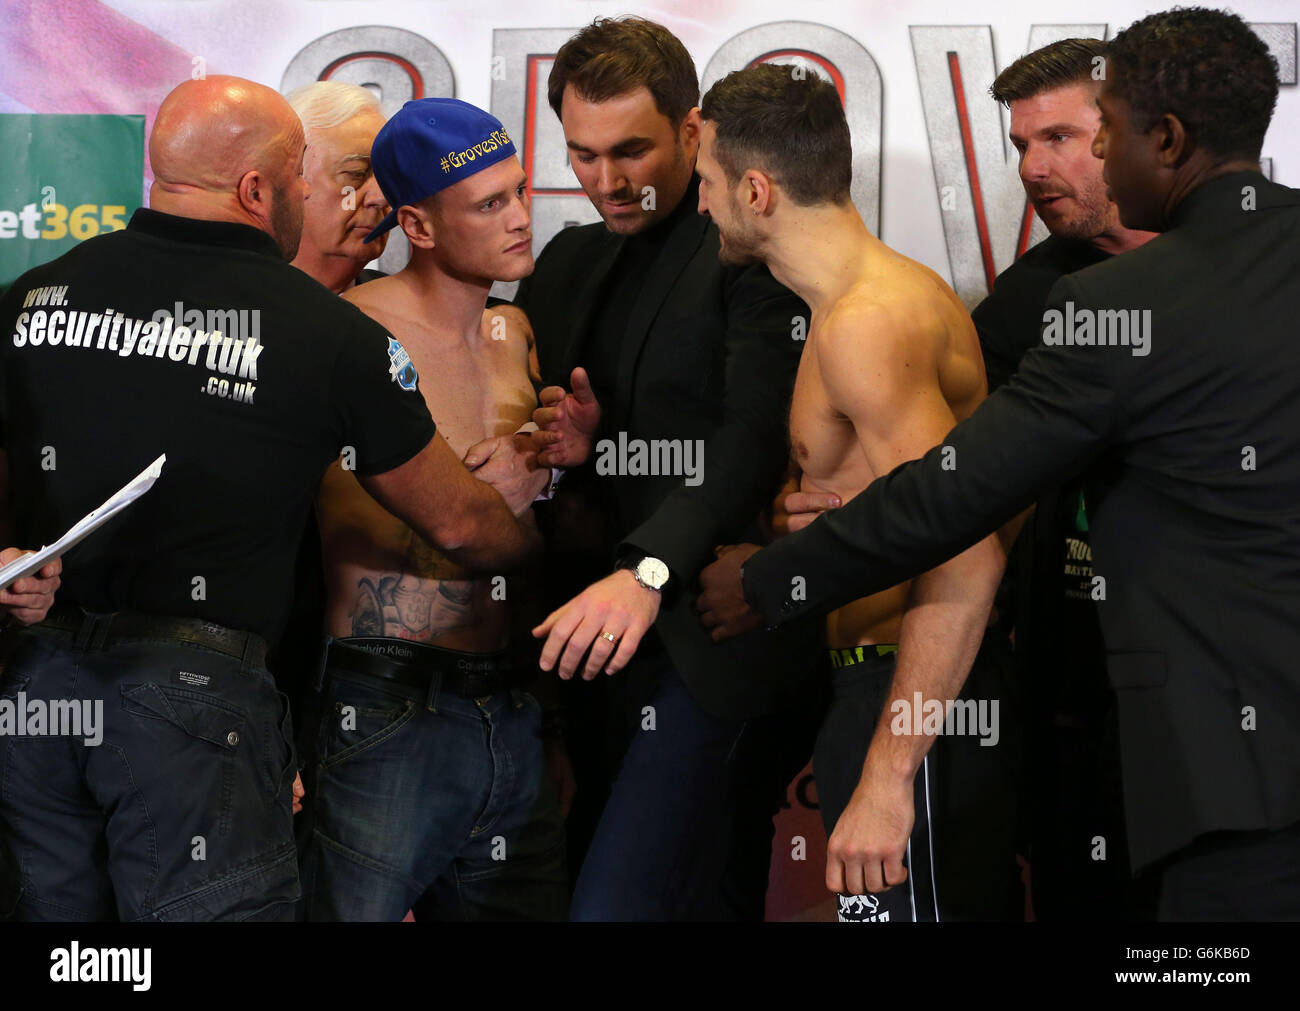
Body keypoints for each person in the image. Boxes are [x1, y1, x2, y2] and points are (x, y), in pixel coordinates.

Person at [700, 8, 1300, 921]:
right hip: (1105, 736)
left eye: (1099, 133)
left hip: (1219, 779)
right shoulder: (1034, 301)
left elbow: (956, 498)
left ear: (1166, 139)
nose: (1056, 161)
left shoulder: (1110, 303)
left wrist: (772, 579)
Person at [0, 75, 540, 922]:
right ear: (258, 190)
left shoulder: (35, 296)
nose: (314, 196)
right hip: (193, 701)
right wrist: (537, 528)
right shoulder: (325, 334)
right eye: (300, 177)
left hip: (33, 690)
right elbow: (459, 523)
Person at [510, 16, 825, 920]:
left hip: (709, 640)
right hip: (583, 650)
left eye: (632, 151)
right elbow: (586, 447)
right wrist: (570, 449)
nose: (607, 180)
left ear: (694, 132)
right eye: (583, 153)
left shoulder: (746, 244)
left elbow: (753, 437)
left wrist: (647, 568)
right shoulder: (568, 259)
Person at [694, 63, 1019, 921]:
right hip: (875, 693)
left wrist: (886, 777)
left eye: (708, 183)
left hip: (910, 705)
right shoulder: (849, 308)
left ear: (756, 190)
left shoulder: (869, 321)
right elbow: (897, 506)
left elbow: (968, 553)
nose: (700, 206)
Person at [300, 98, 568, 921]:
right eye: (489, 204)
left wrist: (563, 466)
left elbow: (547, 523)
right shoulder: (345, 334)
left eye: (520, 192)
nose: (521, 219)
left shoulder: (513, 329)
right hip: (385, 708)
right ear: (416, 222)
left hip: (515, 703)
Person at [977, 38, 1158, 920]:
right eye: (1019, 145)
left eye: (1057, 138)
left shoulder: (1261, 258)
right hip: (1076, 696)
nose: (1033, 168)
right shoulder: (1023, 305)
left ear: (1127, 131)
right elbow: (958, 486)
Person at [286, 81, 390, 293]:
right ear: (291, 177)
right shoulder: (222, 310)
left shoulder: (404, 313)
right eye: (357, 173)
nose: (382, 197)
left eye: (390, 176)